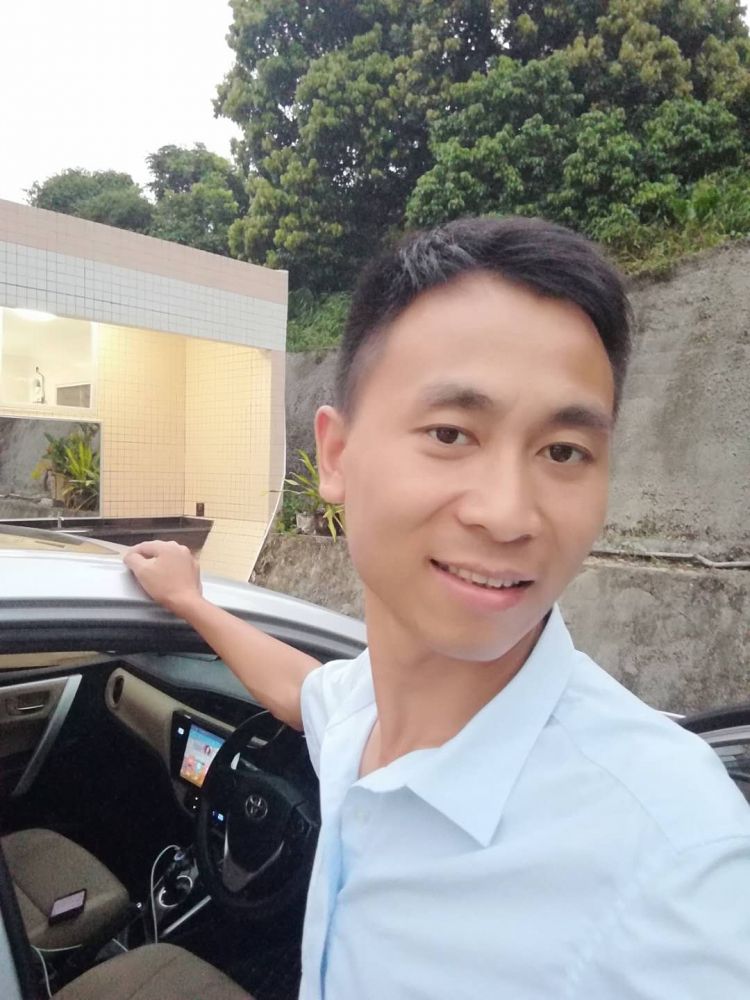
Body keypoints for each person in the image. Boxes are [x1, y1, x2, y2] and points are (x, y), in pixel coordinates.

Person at [124, 216, 750, 999]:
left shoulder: (680, 869)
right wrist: (190, 600)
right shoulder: (364, 711)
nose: (507, 514)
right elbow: (298, 689)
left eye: (563, 451)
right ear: (336, 455)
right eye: (452, 434)